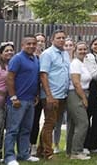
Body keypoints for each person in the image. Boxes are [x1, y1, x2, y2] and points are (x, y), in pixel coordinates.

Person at [4, 35, 41, 165]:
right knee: (13, 130)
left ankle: (24, 154)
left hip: (30, 100)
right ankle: (9, 157)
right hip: (17, 101)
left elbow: (35, 79)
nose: (31, 46)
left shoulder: (36, 59)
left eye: (33, 43)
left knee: (26, 129)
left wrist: (36, 95)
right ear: (22, 45)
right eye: (28, 44)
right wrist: (13, 97)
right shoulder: (17, 59)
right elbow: (9, 79)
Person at [38, 30, 70, 160]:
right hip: (52, 95)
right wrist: (49, 95)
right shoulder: (47, 54)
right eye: (58, 38)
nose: (61, 40)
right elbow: (43, 75)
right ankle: (48, 152)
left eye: (63, 38)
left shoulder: (65, 53)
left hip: (62, 95)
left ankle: (40, 150)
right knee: (50, 123)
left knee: (51, 123)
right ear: (52, 40)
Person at [65, 41, 92, 160]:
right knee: (83, 123)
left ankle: (70, 150)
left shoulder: (83, 63)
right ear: (75, 51)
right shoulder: (75, 64)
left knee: (73, 124)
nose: (82, 51)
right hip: (76, 94)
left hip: (81, 93)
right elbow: (76, 83)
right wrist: (84, 98)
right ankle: (76, 152)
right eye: (80, 49)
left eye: (84, 49)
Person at [83, 37, 97, 153]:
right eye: (95, 44)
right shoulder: (89, 57)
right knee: (88, 117)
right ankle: (85, 145)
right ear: (91, 46)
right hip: (92, 90)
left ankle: (95, 144)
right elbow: (94, 75)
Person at [30, 33, 46, 157]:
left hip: (45, 94)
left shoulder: (46, 57)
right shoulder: (30, 57)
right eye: (38, 41)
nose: (40, 43)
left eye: (42, 41)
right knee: (33, 121)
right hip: (33, 94)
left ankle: (43, 147)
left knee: (46, 121)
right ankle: (31, 146)